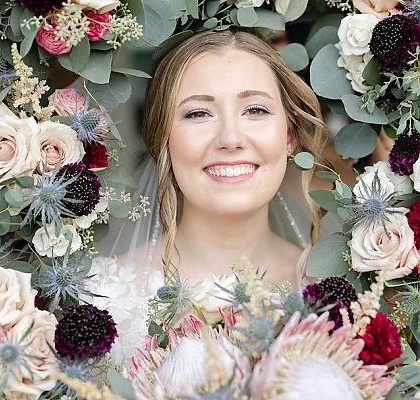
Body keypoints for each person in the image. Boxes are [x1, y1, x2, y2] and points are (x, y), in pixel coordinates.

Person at [85, 28, 332, 367]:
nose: (230, 138)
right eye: (198, 113)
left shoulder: (333, 297)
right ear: (163, 138)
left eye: (256, 110)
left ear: (290, 134)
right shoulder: (100, 299)